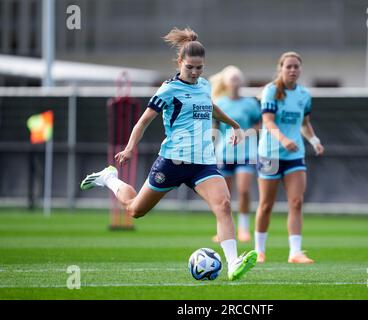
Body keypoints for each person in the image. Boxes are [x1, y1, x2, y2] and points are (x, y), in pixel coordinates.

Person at [79, 27, 257, 280]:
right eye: (190, 68)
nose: (195, 73)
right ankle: (109, 178)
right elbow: (142, 122)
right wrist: (130, 148)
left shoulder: (205, 86)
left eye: (200, 68)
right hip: (172, 162)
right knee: (134, 210)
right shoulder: (167, 90)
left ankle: (233, 263)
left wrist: (236, 125)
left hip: (202, 163)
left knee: (224, 205)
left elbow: (211, 107)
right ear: (180, 63)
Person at [254, 52, 324, 264]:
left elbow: (304, 123)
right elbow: (268, 122)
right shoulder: (271, 91)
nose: (293, 70)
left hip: (295, 155)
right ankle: (259, 251)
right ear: (281, 69)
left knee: (296, 202)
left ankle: (295, 252)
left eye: (296, 67)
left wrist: (314, 141)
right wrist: (283, 139)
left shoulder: (304, 95)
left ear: (300, 69)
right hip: (270, 155)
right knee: (266, 204)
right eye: (289, 67)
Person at [209, 66, 261, 243]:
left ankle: (244, 228)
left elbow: (260, 124)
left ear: (242, 82)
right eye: (232, 79)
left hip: (246, 153)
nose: (235, 83)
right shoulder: (220, 103)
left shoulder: (250, 103)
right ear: (225, 82)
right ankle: (223, 229)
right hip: (224, 153)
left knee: (244, 190)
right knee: (224, 196)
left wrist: (245, 133)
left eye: (238, 79)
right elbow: (214, 128)